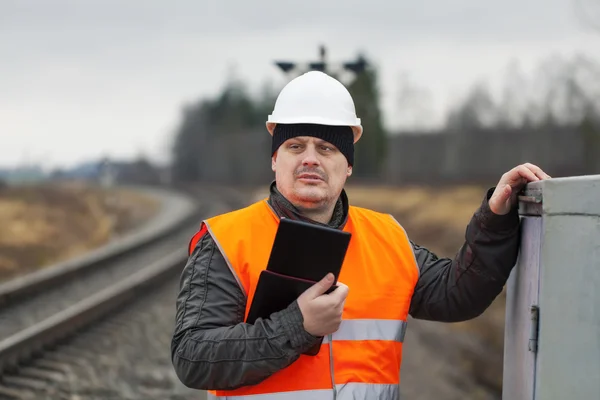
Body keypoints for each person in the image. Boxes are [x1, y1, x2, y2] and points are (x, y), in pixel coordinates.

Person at [171, 71, 551, 399]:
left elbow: (458, 295)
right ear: (275, 158)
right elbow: (193, 357)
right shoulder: (226, 240)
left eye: (326, 147)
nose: (309, 159)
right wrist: (296, 327)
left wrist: (496, 215)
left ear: (347, 164)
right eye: (294, 146)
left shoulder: (386, 237)